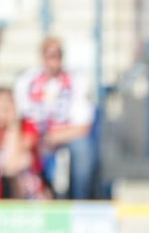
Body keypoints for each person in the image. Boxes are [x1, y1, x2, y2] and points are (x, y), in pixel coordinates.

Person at [14, 36, 97, 199]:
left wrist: (53, 137)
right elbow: (20, 116)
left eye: (58, 54)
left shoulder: (77, 80)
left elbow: (83, 126)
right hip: (34, 135)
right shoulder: (26, 80)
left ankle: (80, 199)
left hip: (65, 136)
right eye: (49, 54)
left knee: (82, 148)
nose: (54, 59)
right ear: (42, 56)